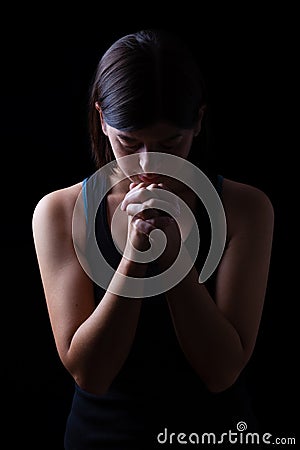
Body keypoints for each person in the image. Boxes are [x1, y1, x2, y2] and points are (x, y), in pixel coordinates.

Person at [32, 29, 274, 449]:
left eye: (169, 142)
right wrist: (135, 252)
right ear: (102, 119)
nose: (148, 163)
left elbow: (221, 371)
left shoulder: (244, 208)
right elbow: (91, 373)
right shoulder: (59, 212)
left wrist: (173, 255)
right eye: (129, 141)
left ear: (197, 122)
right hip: (100, 440)